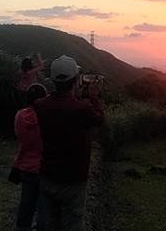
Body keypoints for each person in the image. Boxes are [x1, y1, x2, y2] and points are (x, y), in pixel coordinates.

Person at [34, 55, 104, 230]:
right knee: (73, 224)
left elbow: (60, 106)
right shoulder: (82, 108)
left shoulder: (40, 105)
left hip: (48, 175)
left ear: (53, 80)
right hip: (74, 178)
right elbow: (99, 120)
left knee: (51, 224)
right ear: (75, 80)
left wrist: (75, 96)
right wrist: (94, 97)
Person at [13, 83, 48, 231]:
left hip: (25, 167)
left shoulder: (19, 115)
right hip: (43, 167)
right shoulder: (46, 118)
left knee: (26, 203)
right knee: (43, 207)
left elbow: (18, 137)